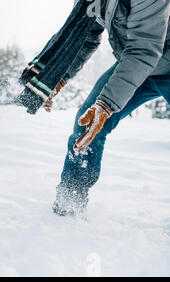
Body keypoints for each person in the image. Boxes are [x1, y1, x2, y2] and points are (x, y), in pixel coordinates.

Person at [52, 0, 170, 216]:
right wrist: (60, 76)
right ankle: (70, 202)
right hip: (134, 65)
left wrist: (106, 104)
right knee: (88, 125)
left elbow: (145, 49)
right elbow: (86, 37)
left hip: (151, 58)